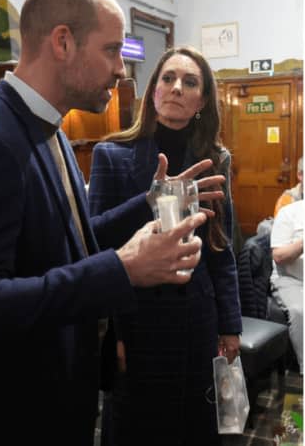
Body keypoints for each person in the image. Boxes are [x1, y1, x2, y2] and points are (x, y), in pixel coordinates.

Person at [0, 0, 210, 444]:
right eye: (111, 51)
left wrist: (147, 203)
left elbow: (72, 244)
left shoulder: (53, 131)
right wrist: (122, 270)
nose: (122, 71)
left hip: (65, 401)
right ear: (63, 42)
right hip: (19, 417)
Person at [88, 46, 242, 446]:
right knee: (138, 427)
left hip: (198, 317)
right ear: (153, 91)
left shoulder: (215, 160)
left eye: (190, 82)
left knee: (196, 424)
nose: (176, 88)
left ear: (202, 100)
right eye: (168, 79)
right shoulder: (111, 154)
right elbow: (94, 239)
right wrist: (148, 201)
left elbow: (221, 250)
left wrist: (231, 326)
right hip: (136, 319)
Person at [270, 198, 305, 374]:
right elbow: (279, 256)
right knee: (300, 310)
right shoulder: (288, 212)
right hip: (290, 278)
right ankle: (304, 370)